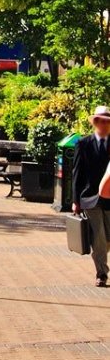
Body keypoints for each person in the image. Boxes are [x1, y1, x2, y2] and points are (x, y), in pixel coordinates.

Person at [73, 106, 110, 286]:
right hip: (90, 197)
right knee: (99, 237)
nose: (104, 124)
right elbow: (77, 173)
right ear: (95, 122)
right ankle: (101, 273)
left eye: (107, 121)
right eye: (100, 121)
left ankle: (101, 259)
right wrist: (75, 201)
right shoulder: (83, 143)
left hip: (109, 197)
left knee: (107, 237)